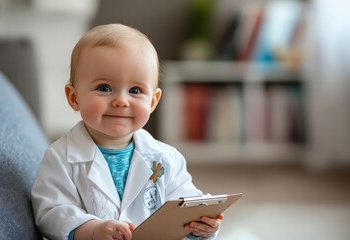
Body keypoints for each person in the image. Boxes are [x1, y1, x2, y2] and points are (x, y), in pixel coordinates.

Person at [31, 23, 223, 240]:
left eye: (135, 90)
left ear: (152, 101)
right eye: (104, 88)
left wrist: (203, 226)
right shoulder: (60, 158)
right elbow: (51, 213)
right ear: (74, 97)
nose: (121, 101)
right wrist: (93, 230)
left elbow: (185, 207)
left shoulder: (167, 158)